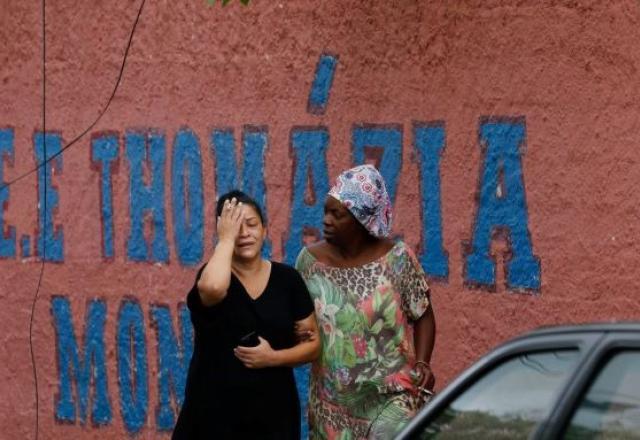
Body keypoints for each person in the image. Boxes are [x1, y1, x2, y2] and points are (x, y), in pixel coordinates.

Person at [295, 164, 436, 439]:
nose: (326, 220)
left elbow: (423, 314)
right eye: (325, 211)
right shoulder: (308, 263)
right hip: (332, 406)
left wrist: (423, 363)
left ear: (361, 219)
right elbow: (296, 319)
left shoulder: (398, 259)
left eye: (337, 214)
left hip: (391, 400)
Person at [173, 190, 321, 440]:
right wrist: (226, 241)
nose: (244, 234)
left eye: (251, 225)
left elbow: (313, 345)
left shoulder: (287, 280)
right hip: (213, 417)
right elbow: (213, 289)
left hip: (273, 417)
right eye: (235, 228)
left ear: (264, 229)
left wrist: (272, 358)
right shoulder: (212, 277)